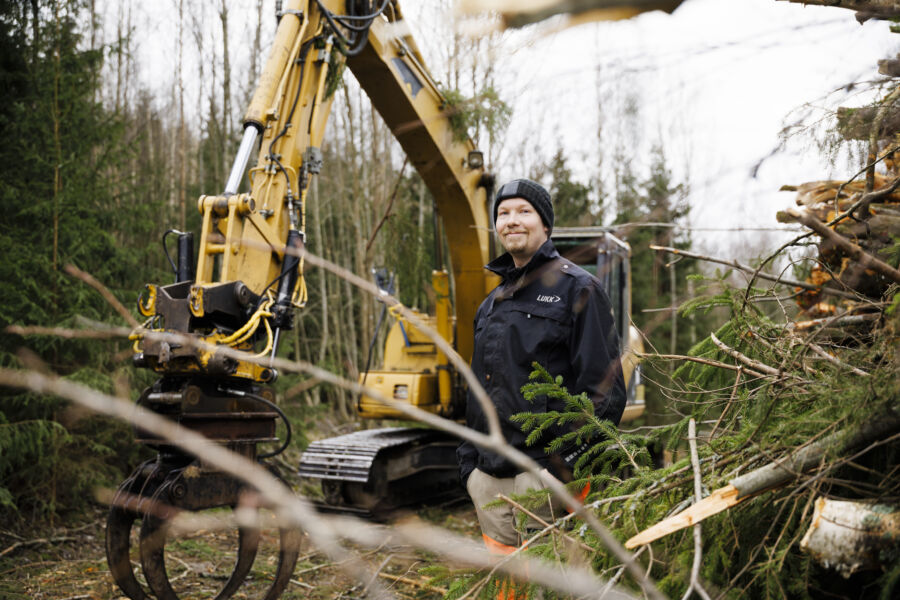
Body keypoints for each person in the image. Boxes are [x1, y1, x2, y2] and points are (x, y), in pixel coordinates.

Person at [457, 178, 627, 555]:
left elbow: (606, 390)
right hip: (489, 477)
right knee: (507, 587)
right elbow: (479, 389)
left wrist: (564, 466)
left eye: (523, 211)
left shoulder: (578, 288)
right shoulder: (491, 304)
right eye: (503, 213)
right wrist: (470, 468)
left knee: (557, 582)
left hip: (546, 473)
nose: (511, 220)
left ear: (545, 224)